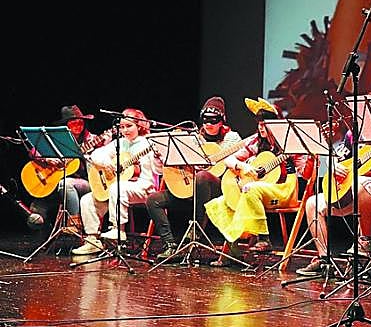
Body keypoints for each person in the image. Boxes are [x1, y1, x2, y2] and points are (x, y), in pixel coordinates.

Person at [295, 122, 371, 277]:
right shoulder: (353, 134)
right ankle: (325, 261)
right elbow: (335, 158)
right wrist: (333, 166)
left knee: (361, 183)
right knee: (313, 203)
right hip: (358, 193)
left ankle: (364, 242)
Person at [205, 97, 313, 262]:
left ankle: (264, 238)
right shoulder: (256, 142)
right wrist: (243, 167)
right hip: (260, 191)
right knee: (221, 202)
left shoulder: (289, 142)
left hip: (284, 189)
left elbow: (305, 174)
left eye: (265, 124)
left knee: (250, 189)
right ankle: (233, 248)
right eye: (259, 124)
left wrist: (311, 157)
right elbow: (229, 160)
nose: (261, 127)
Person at [145, 96, 242, 260]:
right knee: (153, 200)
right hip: (190, 190)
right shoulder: (192, 139)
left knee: (202, 176)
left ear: (222, 121)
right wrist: (160, 157)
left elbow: (235, 162)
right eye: (205, 120)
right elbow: (161, 170)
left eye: (213, 120)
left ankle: (196, 232)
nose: (208, 124)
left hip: (217, 191)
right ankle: (170, 245)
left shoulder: (232, 138)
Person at [71, 108, 159, 255]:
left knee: (117, 188)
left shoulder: (148, 144)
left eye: (129, 126)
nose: (125, 130)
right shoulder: (120, 143)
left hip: (144, 187)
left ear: (139, 126)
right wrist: (108, 164)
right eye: (122, 127)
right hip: (119, 190)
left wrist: (155, 158)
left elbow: (157, 170)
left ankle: (118, 229)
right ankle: (92, 240)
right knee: (87, 199)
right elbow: (96, 155)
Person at [27, 105, 110, 234]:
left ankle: (74, 223)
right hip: (56, 185)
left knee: (65, 184)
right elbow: (34, 151)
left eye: (80, 122)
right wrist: (47, 159)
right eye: (74, 123)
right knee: (35, 212)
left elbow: (104, 160)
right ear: (66, 125)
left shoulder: (92, 140)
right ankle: (46, 236)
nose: (78, 125)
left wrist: (103, 146)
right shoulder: (58, 139)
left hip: (86, 183)